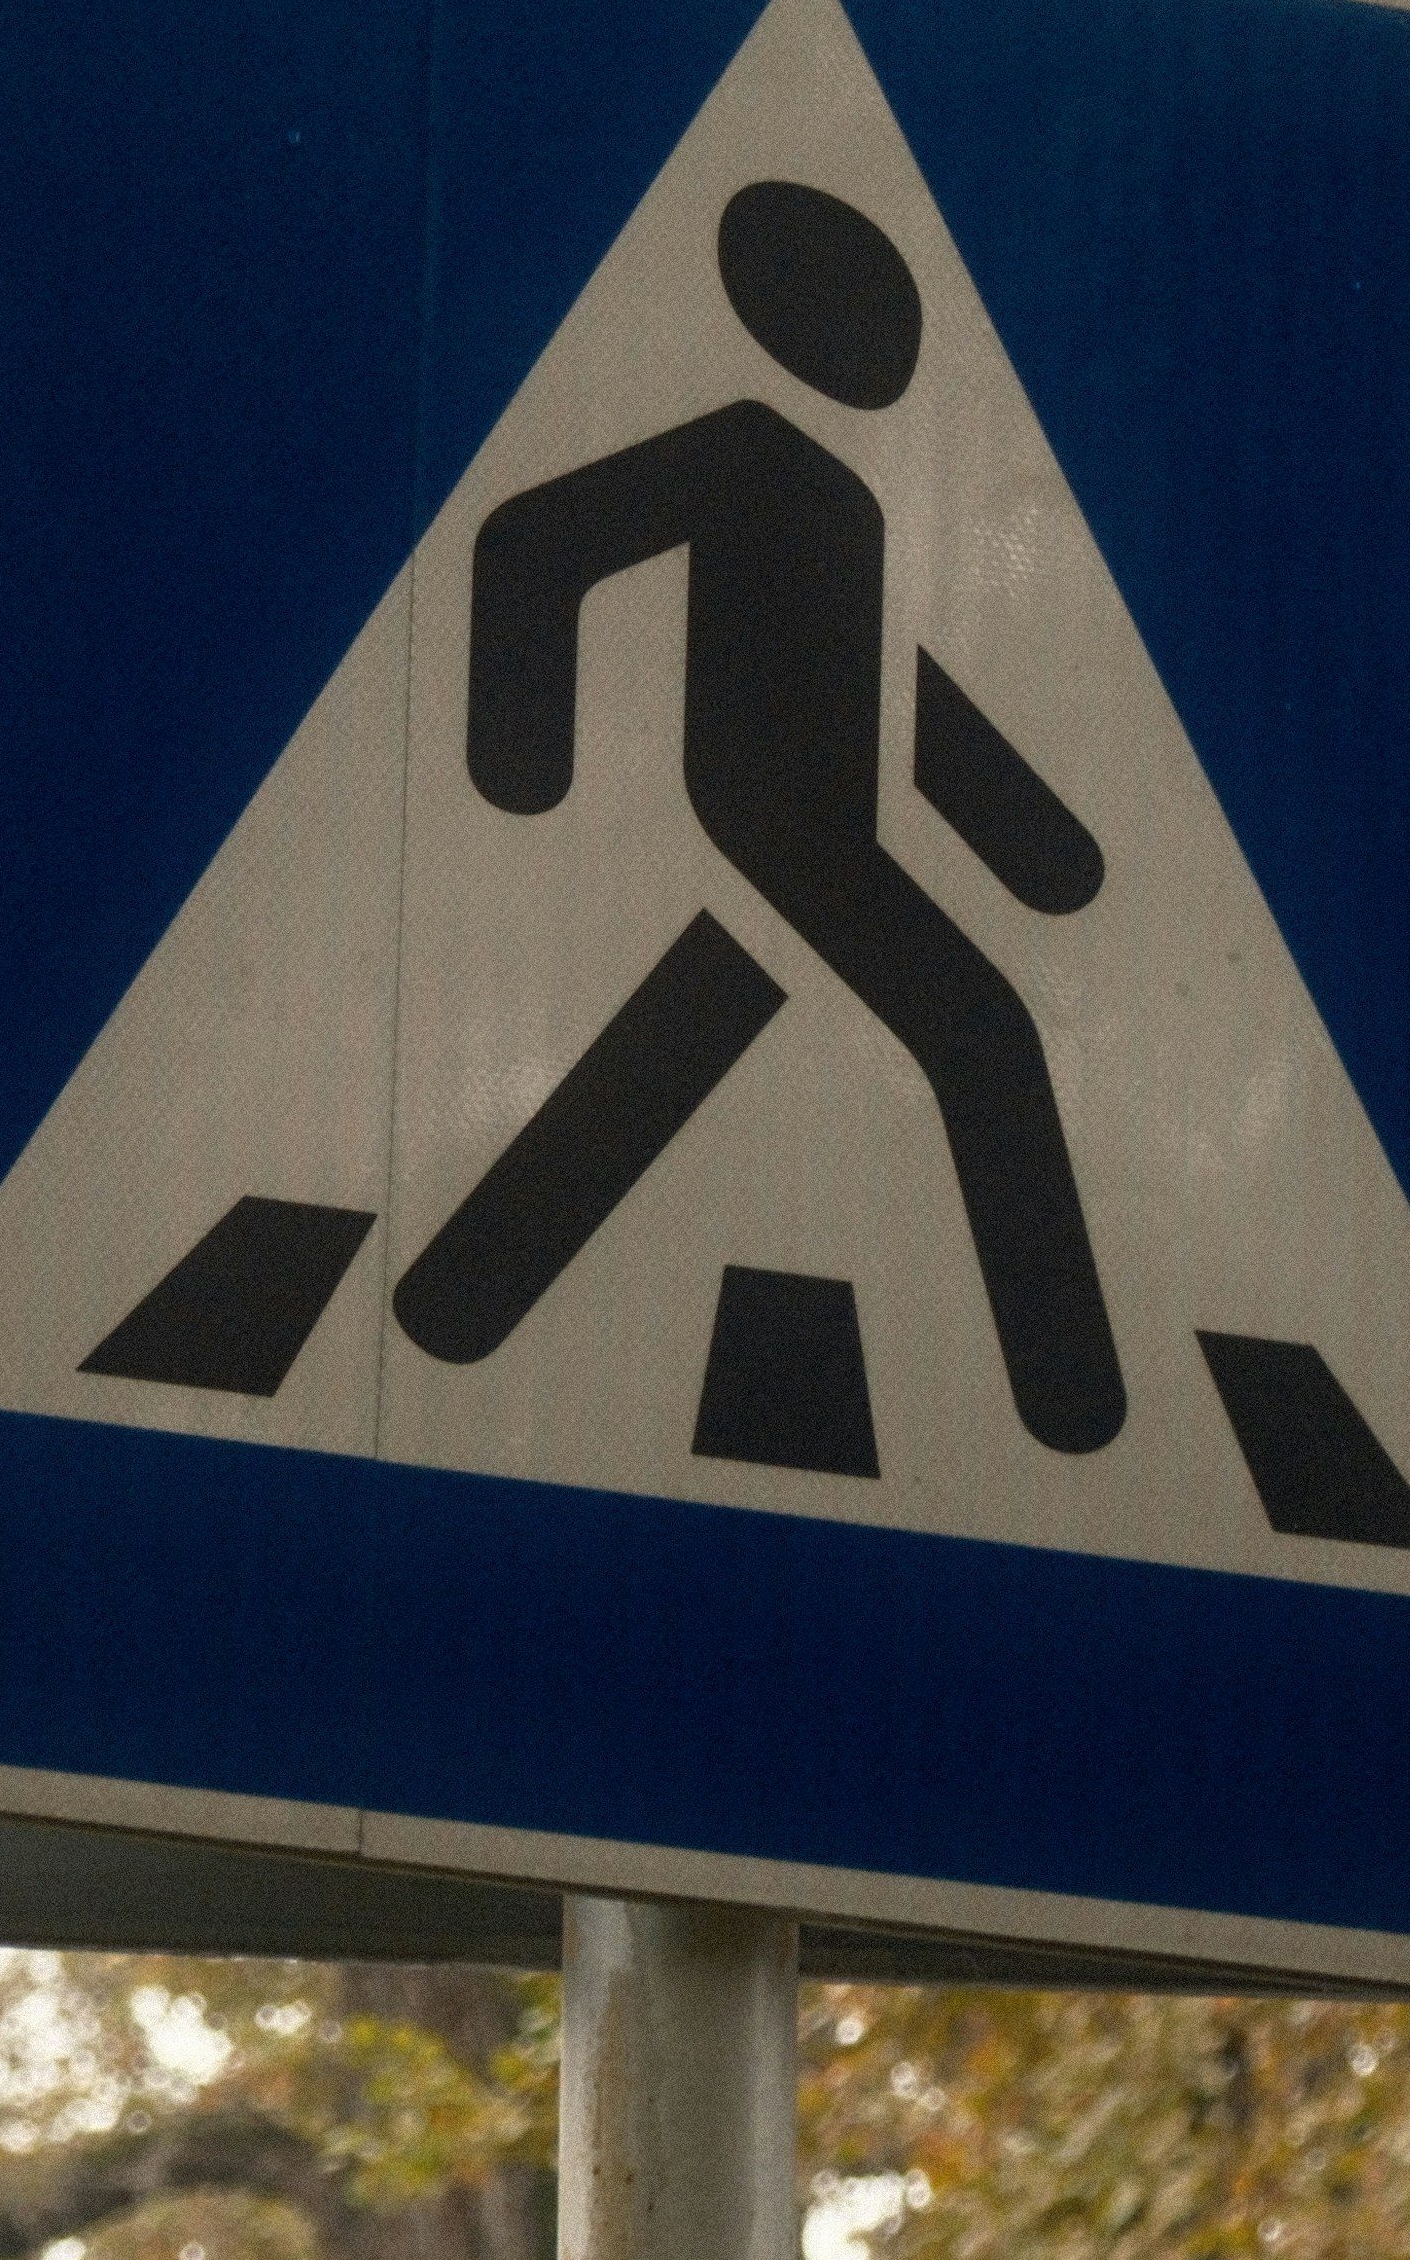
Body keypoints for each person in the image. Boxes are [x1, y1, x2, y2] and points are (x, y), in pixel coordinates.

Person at [391, 178, 1127, 1456]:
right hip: (768, 818)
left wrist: (1037, 847)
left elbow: (901, 696)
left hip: (816, 827)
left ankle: (451, 1306)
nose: (892, 351)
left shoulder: (846, 497)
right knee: (986, 1035)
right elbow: (534, 542)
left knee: (681, 1037)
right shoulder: (741, 449)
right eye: (867, 318)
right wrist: (522, 757)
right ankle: (1077, 1410)